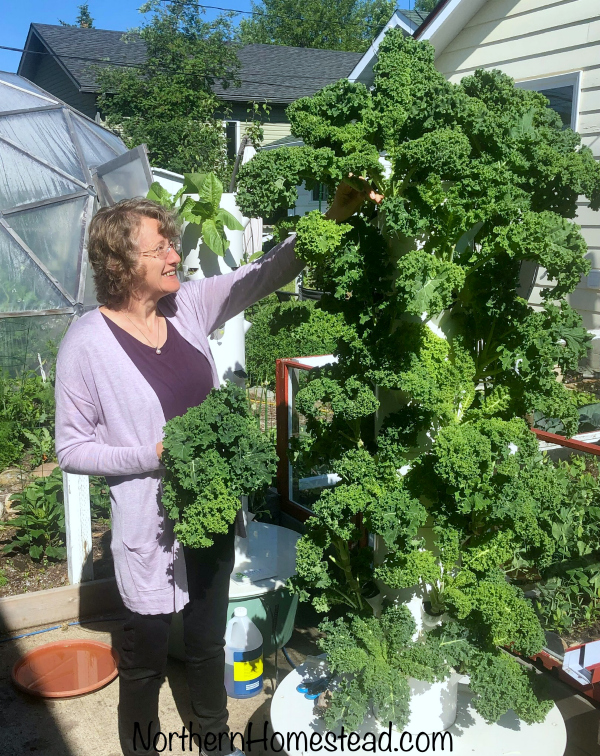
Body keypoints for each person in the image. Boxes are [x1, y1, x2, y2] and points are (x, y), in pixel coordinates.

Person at [54, 178, 380, 756]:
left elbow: (262, 273)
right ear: (120, 261)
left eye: (171, 245)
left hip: (212, 513)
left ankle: (215, 742)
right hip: (148, 528)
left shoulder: (188, 308)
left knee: (206, 643)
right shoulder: (86, 344)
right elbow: (72, 449)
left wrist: (332, 214)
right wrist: (151, 457)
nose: (175, 255)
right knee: (145, 661)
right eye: (159, 248)